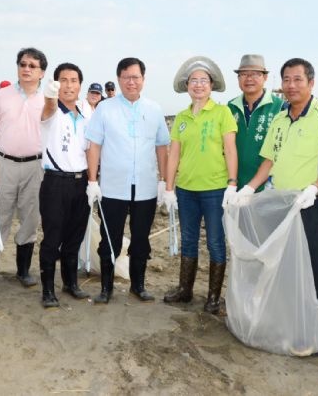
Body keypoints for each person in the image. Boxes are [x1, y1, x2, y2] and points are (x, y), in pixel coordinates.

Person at [237, 58, 318, 332]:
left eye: (298, 79)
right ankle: (288, 324)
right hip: (280, 202)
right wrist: (250, 188)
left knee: (315, 268)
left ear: (311, 82)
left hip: (308, 201)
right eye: (286, 79)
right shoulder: (279, 118)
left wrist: (315, 187)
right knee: (283, 265)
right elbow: (269, 161)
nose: (291, 85)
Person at [86, 57, 170, 304]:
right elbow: (94, 146)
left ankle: (138, 285)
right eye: (126, 77)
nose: (131, 82)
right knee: (109, 237)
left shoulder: (154, 109)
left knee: (141, 238)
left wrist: (164, 181)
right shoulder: (105, 108)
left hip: (145, 187)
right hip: (113, 187)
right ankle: (106, 288)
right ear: (119, 79)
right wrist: (93, 181)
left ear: (143, 79)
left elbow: (162, 147)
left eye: (136, 77)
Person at [162, 56, 238, 314]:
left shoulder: (222, 113)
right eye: (193, 80)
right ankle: (185, 290)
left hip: (215, 189)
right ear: (186, 85)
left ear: (211, 85)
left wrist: (232, 183)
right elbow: (174, 154)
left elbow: (231, 149)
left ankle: (214, 297)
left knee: (216, 242)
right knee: (189, 240)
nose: (198, 85)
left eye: (203, 80)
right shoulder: (181, 117)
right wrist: (169, 187)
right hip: (186, 190)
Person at [0, 48, 47, 287]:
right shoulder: (1, 96)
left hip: (35, 166)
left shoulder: (48, 101)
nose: (26, 69)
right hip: (4, 163)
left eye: (33, 66)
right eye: (23, 64)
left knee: (30, 218)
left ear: (42, 72)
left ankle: (22, 271)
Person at [38, 63, 90, 308]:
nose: (69, 85)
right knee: (52, 238)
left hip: (81, 184)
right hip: (56, 184)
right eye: (63, 80)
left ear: (80, 85)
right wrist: (50, 94)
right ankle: (48, 290)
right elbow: (48, 106)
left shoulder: (86, 112)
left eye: (73, 80)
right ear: (56, 84)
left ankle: (70, 283)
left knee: (75, 236)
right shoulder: (52, 112)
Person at [227, 54, 284, 189]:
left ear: (265, 77)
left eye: (255, 74)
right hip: (235, 182)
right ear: (238, 78)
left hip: (269, 184)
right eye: (244, 74)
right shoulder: (230, 107)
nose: (249, 79)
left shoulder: (280, 107)